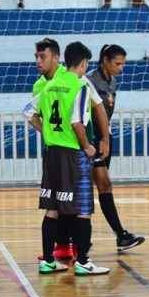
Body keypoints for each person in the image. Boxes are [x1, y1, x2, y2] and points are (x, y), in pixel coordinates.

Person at [24, 42, 110, 276]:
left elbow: (28, 112)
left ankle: (48, 261)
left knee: (52, 209)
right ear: (83, 64)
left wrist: (48, 133)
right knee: (83, 208)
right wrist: (88, 146)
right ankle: (82, 261)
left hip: (52, 153)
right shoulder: (79, 85)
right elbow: (76, 122)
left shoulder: (49, 86)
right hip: (72, 153)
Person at [87, 45, 145, 252]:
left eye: (123, 64)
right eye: (117, 63)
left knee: (102, 186)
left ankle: (118, 237)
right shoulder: (89, 81)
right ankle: (114, 235)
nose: (121, 68)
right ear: (105, 60)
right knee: (100, 185)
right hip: (91, 139)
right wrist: (98, 138)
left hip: (104, 137)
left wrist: (106, 136)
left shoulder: (113, 82)